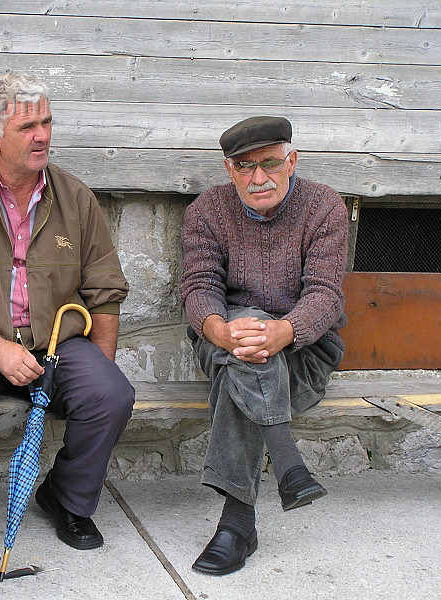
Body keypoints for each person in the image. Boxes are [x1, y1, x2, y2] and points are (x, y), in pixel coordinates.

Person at [0, 72, 134, 551]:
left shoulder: (76, 198)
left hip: (56, 342)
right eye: (27, 127)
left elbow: (105, 292)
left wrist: (98, 368)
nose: (42, 136)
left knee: (111, 394)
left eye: (47, 122)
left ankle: (66, 497)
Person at [179, 116, 348, 575]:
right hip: (226, 343)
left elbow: (326, 296)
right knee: (244, 337)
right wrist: (217, 330)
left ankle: (237, 522)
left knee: (244, 367)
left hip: (304, 353)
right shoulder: (207, 210)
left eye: (270, 163)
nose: (258, 178)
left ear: (291, 161)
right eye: (244, 167)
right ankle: (288, 466)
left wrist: (285, 331)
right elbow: (198, 288)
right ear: (229, 169)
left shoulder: (323, 206)